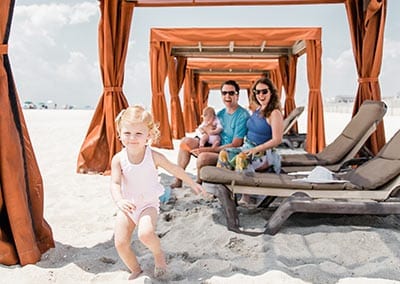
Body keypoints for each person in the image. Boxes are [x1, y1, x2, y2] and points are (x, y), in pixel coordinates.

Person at [110, 105, 205, 280]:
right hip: (127, 206)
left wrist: (191, 182)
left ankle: (158, 255)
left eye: (138, 133)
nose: (132, 138)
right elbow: (115, 183)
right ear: (120, 134)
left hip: (148, 204)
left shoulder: (153, 156)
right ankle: (136, 269)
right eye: (127, 133)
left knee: (145, 234)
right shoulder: (118, 159)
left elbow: (174, 169)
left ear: (149, 135)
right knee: (120, 243)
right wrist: (119, 201)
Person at [170, 80, 250, 188]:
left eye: (231, 93)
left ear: (237, 95)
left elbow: (236, 144)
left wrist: (206, 149)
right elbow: (209, 128)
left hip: (227, 152)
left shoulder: (242, 115)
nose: (227, 96)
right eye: (224, 93)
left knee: (203, 157)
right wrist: (205, 132)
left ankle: (198, 183)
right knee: (186, 142)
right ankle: (178, 179)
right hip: (214, 144)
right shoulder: (220, 113)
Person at [217, 77, 284, 206]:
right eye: (257, 92)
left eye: (264, 91)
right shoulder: (258, 110)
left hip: (265, 152)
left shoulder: (274, 113)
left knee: (241, 158)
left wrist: (255, 149)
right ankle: (224, 191)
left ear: (271, 92)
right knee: (224, 153)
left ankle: (245, 196)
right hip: (248, 147)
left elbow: (277, 139)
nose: (261, 95)